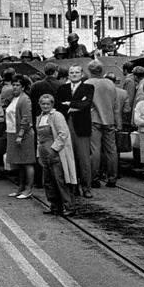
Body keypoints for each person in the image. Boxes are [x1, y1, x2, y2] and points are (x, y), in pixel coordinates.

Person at [55, 64, 94, 197]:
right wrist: (77, 105)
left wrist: (70, 104)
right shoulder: (62, 88)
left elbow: (87, 104)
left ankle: (86, 188)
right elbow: (58, 105)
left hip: (82, 127)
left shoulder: (88, 87)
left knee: (84, 159)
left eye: (77, 72)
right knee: (69, 158)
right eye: (72, 72)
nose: (74, 74)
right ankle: (73, 186)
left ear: (82, 74)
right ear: (68, 75)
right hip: (65, 125)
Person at [36, 94, 77, 216]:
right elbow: (39, 139)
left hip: (55, 153)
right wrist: (39, 154)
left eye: (48, 104)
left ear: (52, 104)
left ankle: (69, 206)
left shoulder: (57, 116)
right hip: (44, 153)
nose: (45, 106)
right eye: (43, 104)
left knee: (60, 180)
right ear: (40, 104)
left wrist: (54, 149)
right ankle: (54, 206)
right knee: (48, 181)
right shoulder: (39, 117)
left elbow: (63, 133)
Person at [84, 60, 118, 187]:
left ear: (89, 71)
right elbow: (116, 105)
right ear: (101, 70)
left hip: (94, 120)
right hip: (109, 120)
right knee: (111, 150)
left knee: (95, 150)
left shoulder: (87, 83)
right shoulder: (110, 83)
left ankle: (94, 178)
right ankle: (112, 178)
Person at [6, 74, 35, 198]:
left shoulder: (25, 99)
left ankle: (28, 189)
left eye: (18, 85)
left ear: (23, 87)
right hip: (12, 133)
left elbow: (26, 118)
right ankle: (20, 188)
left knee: (27, 162)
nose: (15, 87)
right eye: (13, 85)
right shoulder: (14, 98)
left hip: (23, 135)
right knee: (19, 162)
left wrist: (21, 134)